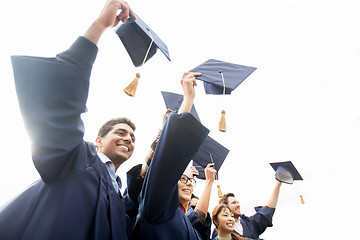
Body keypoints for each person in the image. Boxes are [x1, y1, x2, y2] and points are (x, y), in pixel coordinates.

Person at [0, 1, 138, 239]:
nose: (128, 138)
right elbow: (60, 106)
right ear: (98, 140)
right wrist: (99, 26)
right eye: (120, 132)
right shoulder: (78, 156)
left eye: (133, 137)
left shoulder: (118, 192)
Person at [128, 72, 211, 239]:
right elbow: (166, 164)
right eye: (182, 178)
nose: (188, 184)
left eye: (190, 180)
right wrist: (187, 100)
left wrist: (209, 181)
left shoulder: (185, 222)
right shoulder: (157, 208)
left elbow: (200, 219)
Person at [212, 180, 282, 240]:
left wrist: (277, 186)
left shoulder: (250, 222)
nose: (238, 205)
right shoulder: (220, 230)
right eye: (233, 203)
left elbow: (267, 211)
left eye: (237, 202)